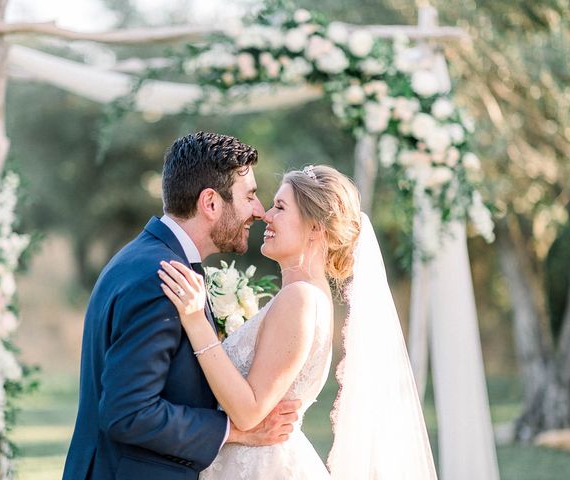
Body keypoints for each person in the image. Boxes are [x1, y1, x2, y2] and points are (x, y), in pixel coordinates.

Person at [159, 165, 438, 479]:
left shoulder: (300, 299)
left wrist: (196, 322)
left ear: (316, 228)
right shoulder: (303, 296)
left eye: (280, 207)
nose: (265, 215)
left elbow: (248, 412)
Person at [62, 132, 300, 480]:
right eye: (249, 195)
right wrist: (232, 431)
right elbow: (128, 413)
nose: (258, 210)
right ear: (211, 203)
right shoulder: (159, 279)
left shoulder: (149, 259)